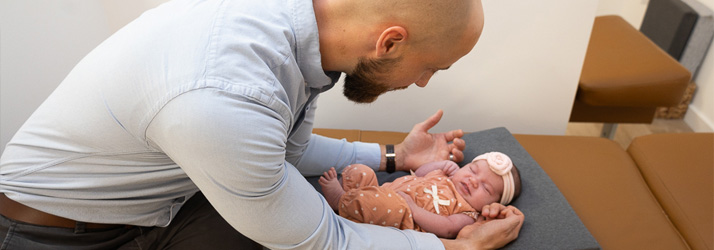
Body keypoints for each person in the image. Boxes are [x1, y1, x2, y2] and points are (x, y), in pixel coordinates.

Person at [0, 0, 524, 249]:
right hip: (57, 236)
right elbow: (325, 241)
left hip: (158, 202)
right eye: (433, 67)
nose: (426, 83)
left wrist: (393, 159)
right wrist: (456, 248)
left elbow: (283, 151)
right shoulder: (224, 92)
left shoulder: (300, 31)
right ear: (389, 42)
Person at [319, 152, 522, 239]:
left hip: (400, 216)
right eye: (472, 169)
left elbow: (447, 228)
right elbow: (418, 173)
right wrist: (440, 165)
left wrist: (414, 210)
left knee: (389, 205)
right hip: (381, 190)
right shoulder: (445, 175)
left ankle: (341, 203)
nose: (473, 181)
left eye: (485, 189)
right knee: (361, 171)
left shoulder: (467, 213)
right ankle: (351, 198)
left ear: (491, 204)